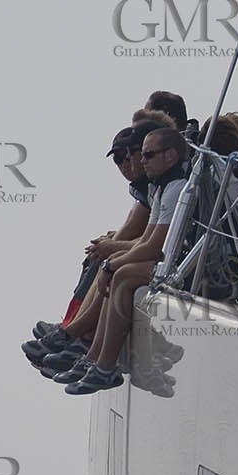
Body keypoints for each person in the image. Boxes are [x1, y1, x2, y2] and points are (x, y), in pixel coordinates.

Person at [62, 126, 194, 395]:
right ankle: (95, 360)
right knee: (118, 269)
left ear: (170, 156)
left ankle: (103, 365)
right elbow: (147, 241)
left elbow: (156, 247)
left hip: (188, 266)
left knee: (122, 276)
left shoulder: (176, 188)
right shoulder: (163, 186)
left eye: (147, 155)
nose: (140, 161)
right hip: (173, 261)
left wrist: (112, 265)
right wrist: (113, 261)